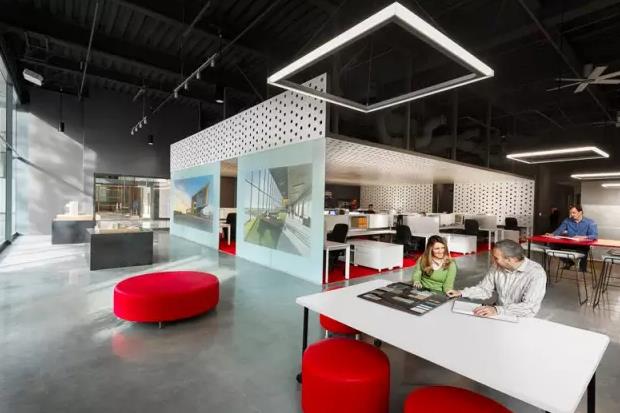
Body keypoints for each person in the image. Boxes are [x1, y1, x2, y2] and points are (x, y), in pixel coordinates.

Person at [446, 240, 546, 318]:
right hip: (498, 313)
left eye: (496, 258)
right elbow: (484, 289)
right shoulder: (497, 266)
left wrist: (497, 310)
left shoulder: (536, 273)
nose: (492, 261)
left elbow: (529, 307)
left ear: (510, 260)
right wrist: (461, 293)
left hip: (521, 317)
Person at [546, 204, 597, 271]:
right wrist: (552, 234)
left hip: (582, 245)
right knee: (552, 245)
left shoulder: (590, 222)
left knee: (584, 248)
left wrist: (584, 237)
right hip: (570, 244)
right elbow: (559, 230)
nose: (571, 215)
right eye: (570, 213)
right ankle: (569, 262)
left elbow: (594, 236)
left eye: (573, 213)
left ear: (580, 212)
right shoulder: (567, 220)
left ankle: (582, 269)